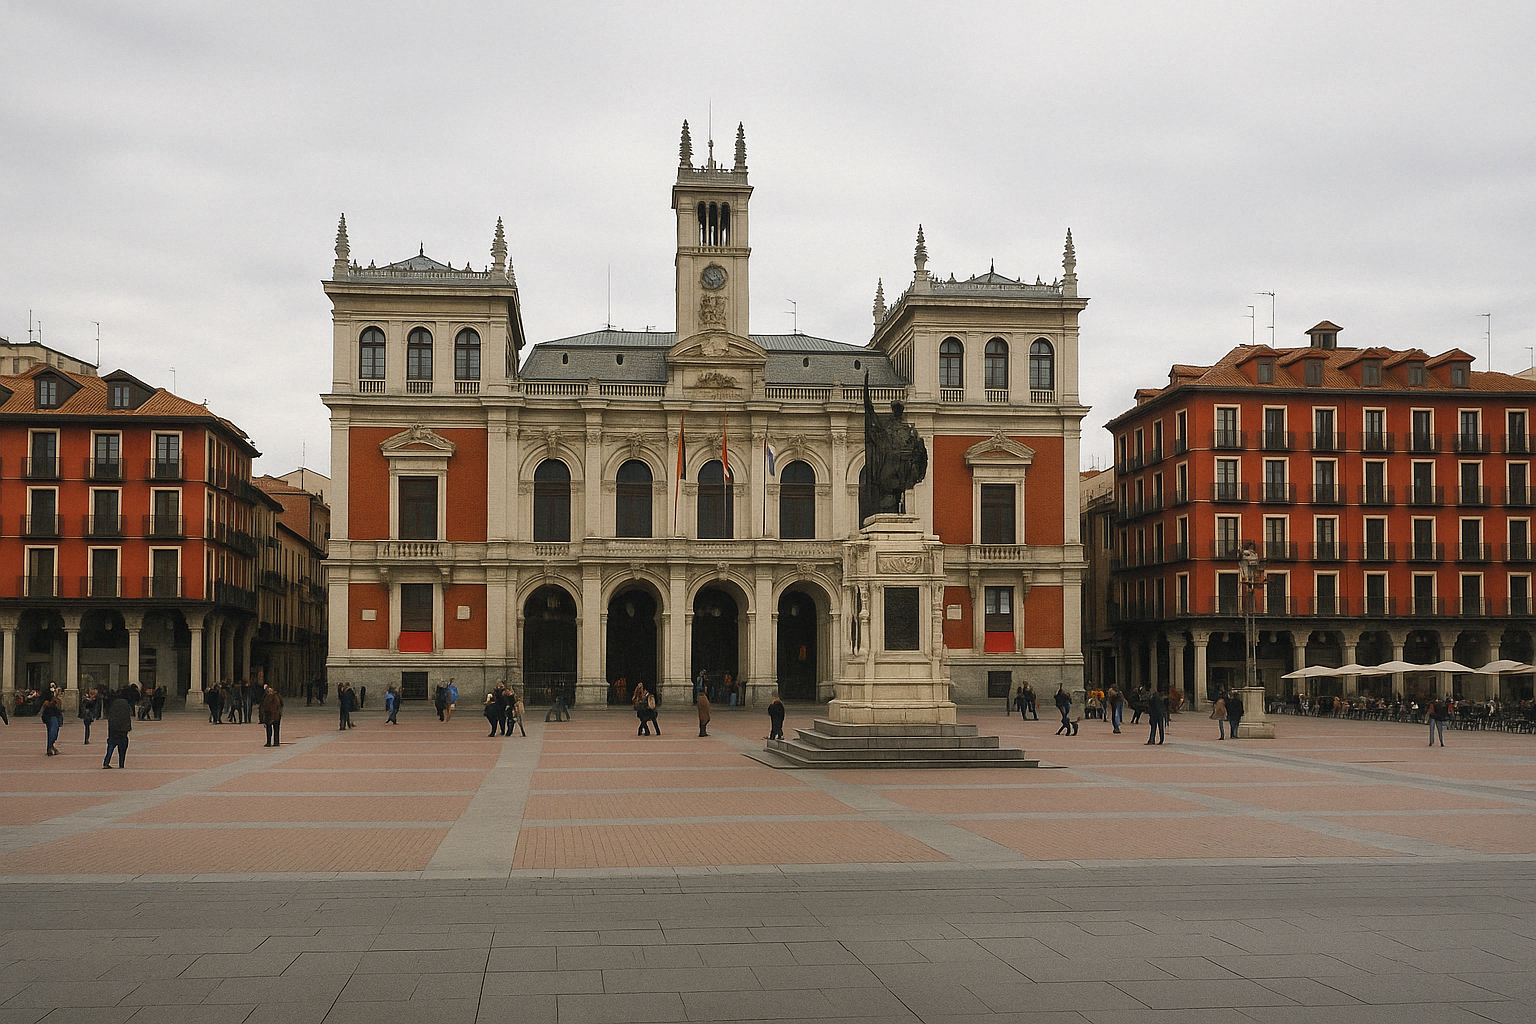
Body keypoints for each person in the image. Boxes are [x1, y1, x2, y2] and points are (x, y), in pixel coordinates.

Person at [102, 693, 132, 768]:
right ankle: (121, 764)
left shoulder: (113, 707)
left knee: (111, 747)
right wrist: (128, 728)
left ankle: (106, 762)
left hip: (113, 731)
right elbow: (128, 719)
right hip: (123, 731)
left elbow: (110, 720)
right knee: (122, 749)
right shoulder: (125, 706)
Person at [41, 688, 64, 756]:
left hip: (53, 716)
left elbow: (58, 709)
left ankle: (50, 747)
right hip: (50, 716)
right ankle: (50, 747)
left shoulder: (56, 700)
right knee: (52, 732)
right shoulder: (47, 697)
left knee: (51, 732)